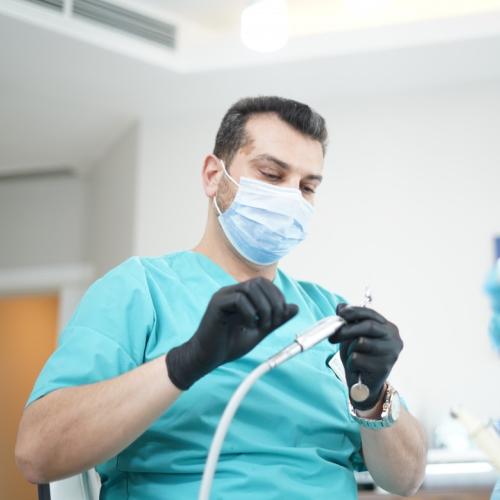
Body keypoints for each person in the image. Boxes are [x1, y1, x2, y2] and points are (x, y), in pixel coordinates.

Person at [16, 96, 427, 499]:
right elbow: (37, 452)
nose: (291, 199)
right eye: (271, 174)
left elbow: (407, 480)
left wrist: (373, 398)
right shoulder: (141, 290)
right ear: (214, 175)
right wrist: (186, 361)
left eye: (307, 187)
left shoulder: (327, 314)